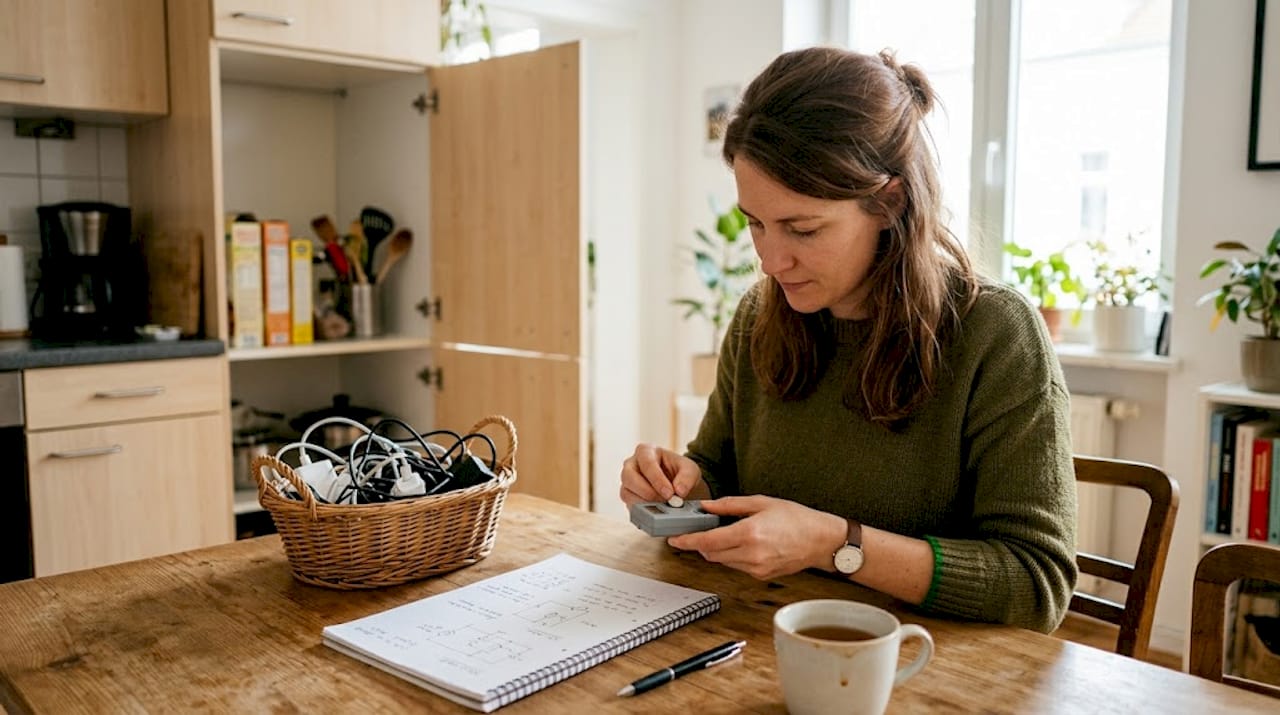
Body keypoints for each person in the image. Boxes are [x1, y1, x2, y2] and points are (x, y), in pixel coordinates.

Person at [620, 46, 1077, 633]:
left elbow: (1036, 584)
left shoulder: (996, 334)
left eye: (803, 229)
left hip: (917, 660)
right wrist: (680, 488)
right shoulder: (760, 316)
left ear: (888, 203)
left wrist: (836, 543)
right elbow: (717, 472)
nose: (771, 260)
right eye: (755, 223)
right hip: (763, 637)